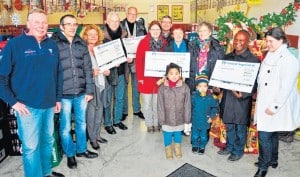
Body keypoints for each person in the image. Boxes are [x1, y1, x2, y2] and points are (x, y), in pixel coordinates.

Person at [0, 9, 64, 177]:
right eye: (37, 22)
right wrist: (13, 102)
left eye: (44, 22)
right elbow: (1, 77)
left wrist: (57, 98)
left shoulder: (52, 45)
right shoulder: (15, 45)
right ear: (28, 24)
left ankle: (46, 173)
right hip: (27, 107)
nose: (41, 26)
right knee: (30, 147)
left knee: (47, 142)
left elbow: (58, 74)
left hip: (49, 105)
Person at [51, 14, 98, 170]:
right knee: (65, 127)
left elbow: (87, 68)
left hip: (81, 92)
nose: (72, 27)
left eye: (74, 24)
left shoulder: (80, 43)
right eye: (68, 24)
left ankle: (81, 150)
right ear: (61, 26)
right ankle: (70, 154)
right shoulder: (53, 44)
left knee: (81, 123)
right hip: (63, 94)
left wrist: (89, 90)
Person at [253, 27, 300, 177]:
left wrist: (274, 106)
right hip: (265, 99)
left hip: (277, 104)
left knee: (264, 135)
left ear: (281, 40)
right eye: (267, 40)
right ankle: (273, 159)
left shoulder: (289, 59)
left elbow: (286, 88)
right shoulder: (271, 54)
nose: (268, 44)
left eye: (271, 41)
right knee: (272, 133)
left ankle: (263, 165)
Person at [217, 30, 260, 162]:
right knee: (229, 124)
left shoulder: (253, 60)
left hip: (242, 100)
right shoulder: (227, 57)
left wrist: (244, 94)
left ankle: (238, 150)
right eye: (236, 39)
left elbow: (255, 83)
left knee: (240, 127)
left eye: (242, 40)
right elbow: (221, 76)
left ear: (248, 42)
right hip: (228, 98)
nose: (238, 43)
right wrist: (217, 86)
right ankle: (229, 147)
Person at [80, 24, 109, 150]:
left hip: (102, 83)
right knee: (91, 114)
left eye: (95, 34)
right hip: (91, 86)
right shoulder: (82, 50)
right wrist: (91, 73)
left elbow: (106, 64)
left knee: (100, 112)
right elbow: (78, 70)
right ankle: (92, 138)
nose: (93, 36)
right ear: (85, 36)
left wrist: (107, 70)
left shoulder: (100, 49)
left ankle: (97, 135)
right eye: (90, 34)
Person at [136, 20, 167, 133]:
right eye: (153, 29)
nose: (155, 31)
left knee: (157, 103)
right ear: (149, 30)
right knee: (147, 103)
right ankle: (149, 123)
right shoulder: (143, 42)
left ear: (160, 31)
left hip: (160, 79)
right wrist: (140, 78)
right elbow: (138, 61)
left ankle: (156, 122)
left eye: (157, 29)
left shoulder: (164, 43)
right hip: (146, 79)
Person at [103, 12, 131, 135]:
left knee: (120, 98)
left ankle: (117, 120)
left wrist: (129, 57)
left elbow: (128, 50)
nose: (114, 23)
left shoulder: (124, 35)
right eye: (112, 21)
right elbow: (99, 55)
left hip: (121, 72)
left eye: (116, 21)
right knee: (108, 99)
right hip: (108, 73)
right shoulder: (101, 36)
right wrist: (110, 63)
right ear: (107, 22)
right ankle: (108, 123)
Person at [157, 63, 191, 160]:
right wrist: (161, 119)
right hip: (167, 118)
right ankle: (168, 148)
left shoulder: (185, 87)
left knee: (177, 133)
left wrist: (187, 119)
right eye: (171, 73)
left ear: (180, 74)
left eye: (176, 73)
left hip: (180, 117)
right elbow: (160, 105)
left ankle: (177, 147)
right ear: (167, 75)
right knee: (167, 133)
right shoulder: (162, 88)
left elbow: (187, 104)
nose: (174, 76)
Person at [120, 6, 147, 121]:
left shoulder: (141, 26)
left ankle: (137, 109)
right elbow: (116, 43)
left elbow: (145, 41)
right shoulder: (120, 25)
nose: (132, 16)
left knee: (136, 86)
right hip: (124, 61)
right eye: (130, 14)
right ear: (126, 14)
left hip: (137, 61)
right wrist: (124, 56)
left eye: (134, 14)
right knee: (124, 87)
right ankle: (124, 111)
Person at [187, 21, 225, 93]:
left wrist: (218, 85)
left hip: (210, 85)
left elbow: (221, 68)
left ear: (210, 32)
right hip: (193, 84)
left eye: (205, 30)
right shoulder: (191, 45)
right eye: (200, 31)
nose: (202, 33)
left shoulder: (217, 47)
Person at [191, 73, 219, 155]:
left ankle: (202, 146)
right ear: (196, 87)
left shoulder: (211, 98)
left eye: (204, 86)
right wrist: (188, 120)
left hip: (205, 121)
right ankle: (195, 145)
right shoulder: (193, 97)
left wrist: (211, 116)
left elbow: (215, 108)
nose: (202, 88)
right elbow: (190, 108)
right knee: (194, 136)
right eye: (200, 86)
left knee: (203, 137)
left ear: (207, 87)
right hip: (195, 120)